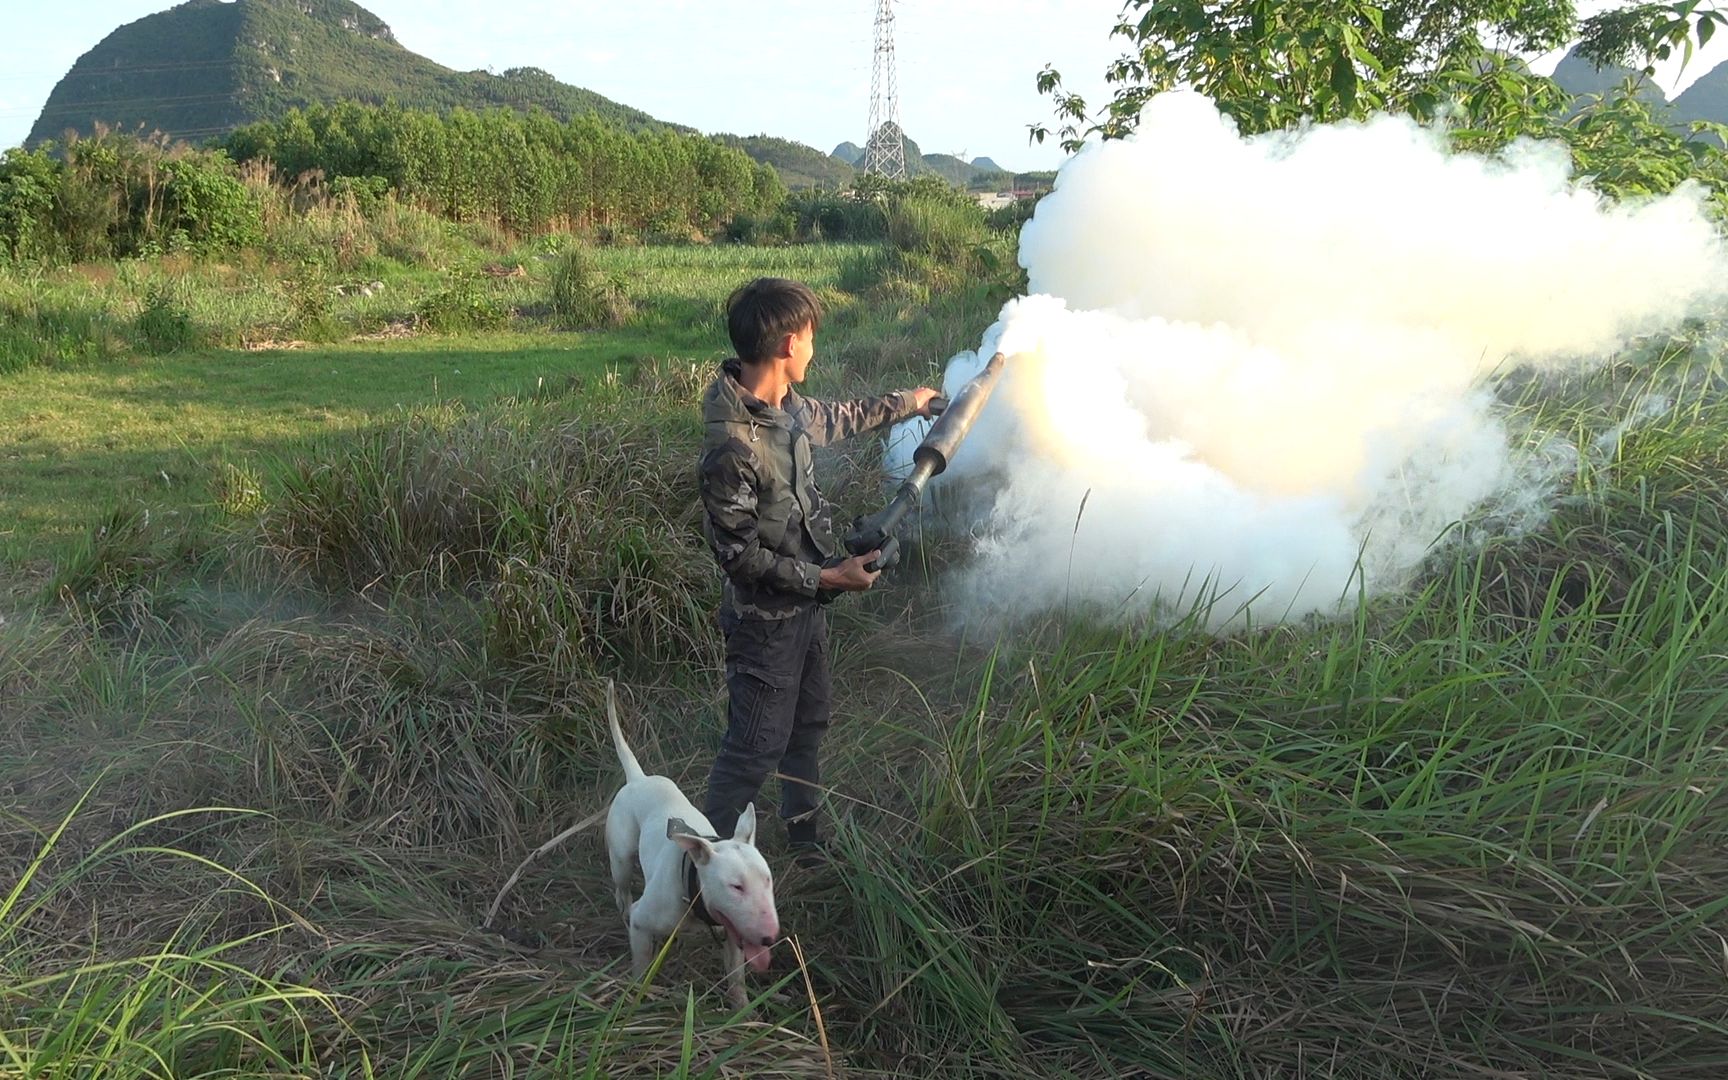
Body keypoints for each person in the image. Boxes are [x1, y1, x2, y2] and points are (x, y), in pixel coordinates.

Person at [697, 277, 939, 864]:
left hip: (804, 610)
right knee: (754, 747)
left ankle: (804, 844)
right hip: (763, 624)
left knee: (807, 727)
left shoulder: (787, 409)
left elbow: (842, 416)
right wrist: (829, 579)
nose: (813, 349)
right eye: (809, 338)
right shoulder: (733, 447)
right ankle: (697, 865)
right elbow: (739, 557)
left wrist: (912, 401)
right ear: (786, 346)